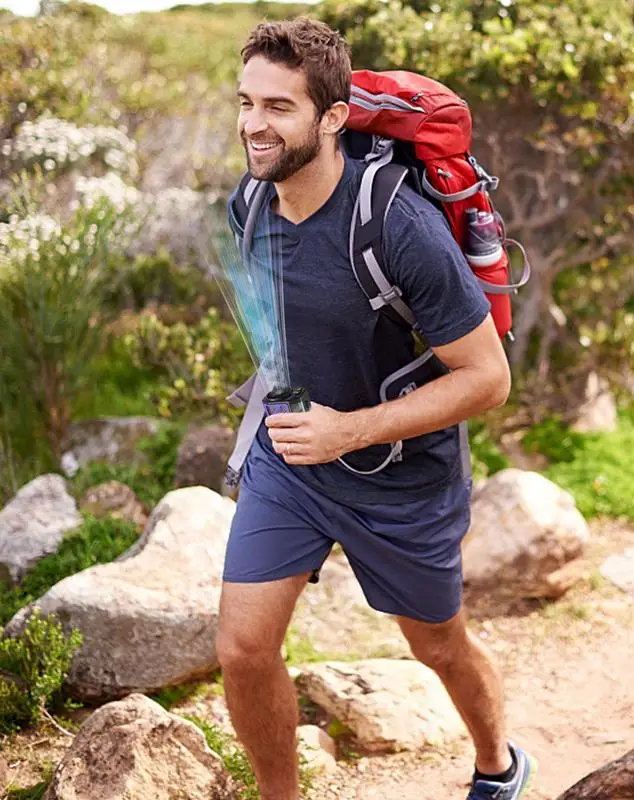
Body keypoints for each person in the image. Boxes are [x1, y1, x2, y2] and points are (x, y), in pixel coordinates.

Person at [215, 16, 536, 800]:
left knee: (437, 646)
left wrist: (348, 431)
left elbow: (487, 380)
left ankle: (498, 762)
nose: (255, 124)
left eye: (279, 107)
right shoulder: (248, 206)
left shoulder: (396, 223)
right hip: (291, 461)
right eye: (246, 101)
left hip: (401, 478)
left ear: (332, 118)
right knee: (243, 648)